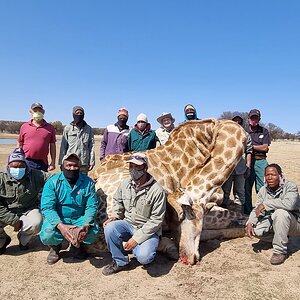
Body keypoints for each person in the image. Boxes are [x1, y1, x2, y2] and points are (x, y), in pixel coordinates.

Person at [102, 153, 167, 275]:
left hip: (147, 230)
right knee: (109, 228)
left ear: (145, 168)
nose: (133, 170)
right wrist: (115, 216)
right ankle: (120, 262)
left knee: (144, 257)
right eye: (130, 166)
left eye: (137, 167)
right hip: (128, 224)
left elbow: (156, 220)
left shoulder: (157, 191)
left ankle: (143, 249)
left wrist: (136, 239)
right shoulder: (125, 183)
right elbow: (117, 200)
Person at [40, 153, 99, 265]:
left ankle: (77, 245)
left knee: (93, 232)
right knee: (47, 234)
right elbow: (47, 208)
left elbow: (91, 206)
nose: (72, 168)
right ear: (62, 167)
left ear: (79, 167)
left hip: (79, 218)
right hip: (59, 219)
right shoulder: (52, 183)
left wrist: (86, 225)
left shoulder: (88, 183)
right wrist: (61, 226)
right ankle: (55, 247)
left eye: (75, 166)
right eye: (68, 165)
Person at [246, 164, 300, 265]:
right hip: (276, 220)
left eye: (273, 174)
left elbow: (289, 205)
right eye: (267, 175)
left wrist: (266, 204)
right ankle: (282, 237)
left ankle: (279, 252)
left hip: (295, 224)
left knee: (280, 213)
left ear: (280, 176)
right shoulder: (263, 190)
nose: (269, 177)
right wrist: (250, 222)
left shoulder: (290, 186)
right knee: (256, 231)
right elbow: (257, 208)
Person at [0, 148, 49, 254]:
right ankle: (3, 240)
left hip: (28, 209)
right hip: (6, 211)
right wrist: (14, 221)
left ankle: (23, 240)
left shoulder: (36, 174)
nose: (18, 169)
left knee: (36, 222)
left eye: (21, 166)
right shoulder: (1, 177)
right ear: (8, 166)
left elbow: (53, 179)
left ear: (26, 166)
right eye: (14, 166)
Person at [222, 115, 252, 211]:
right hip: (228, 168)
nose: (237, 123)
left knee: (240, 192)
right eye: (235, 121)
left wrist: (248, 166)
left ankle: (240, 213)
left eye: (239, 121)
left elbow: (249, 151)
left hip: (241, 168)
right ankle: (224, 212)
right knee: (225, 191)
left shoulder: (246, 135)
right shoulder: (226, 134)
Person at [245, 109, 271, 214]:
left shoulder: (264, 131)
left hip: (261, 161)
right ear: (248, 119)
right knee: (246, 186)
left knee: (262, 187)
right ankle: (247, 211)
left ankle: (262, 210)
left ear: (259, 119)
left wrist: (251, 146)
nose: (254, 120)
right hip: (248, 161)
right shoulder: (244, 131)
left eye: (256, 118)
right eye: (252, 118)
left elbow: (265, 148)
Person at [18, 102, 56, 172]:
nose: (37, 112)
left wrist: (53, 162)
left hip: (42, 163)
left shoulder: (50, 128)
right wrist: (18, 158)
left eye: (40, 111)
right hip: (26, 161)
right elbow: (20, 143)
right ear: (30, 112)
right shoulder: (24, 126)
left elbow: (52, 145)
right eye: (35, 111)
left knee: (41, 182)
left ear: (43, 112)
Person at [59, 106, 95, 174]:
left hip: (84, 163)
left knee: (83, 183)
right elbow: (63, 146)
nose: (79, 115)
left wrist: (92, 162)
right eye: (77, 113)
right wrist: (61, 162)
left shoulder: (89, 129)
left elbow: (91, 146)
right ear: (73, 114)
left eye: (81, 113)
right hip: (71, 163)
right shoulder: (68, 128)